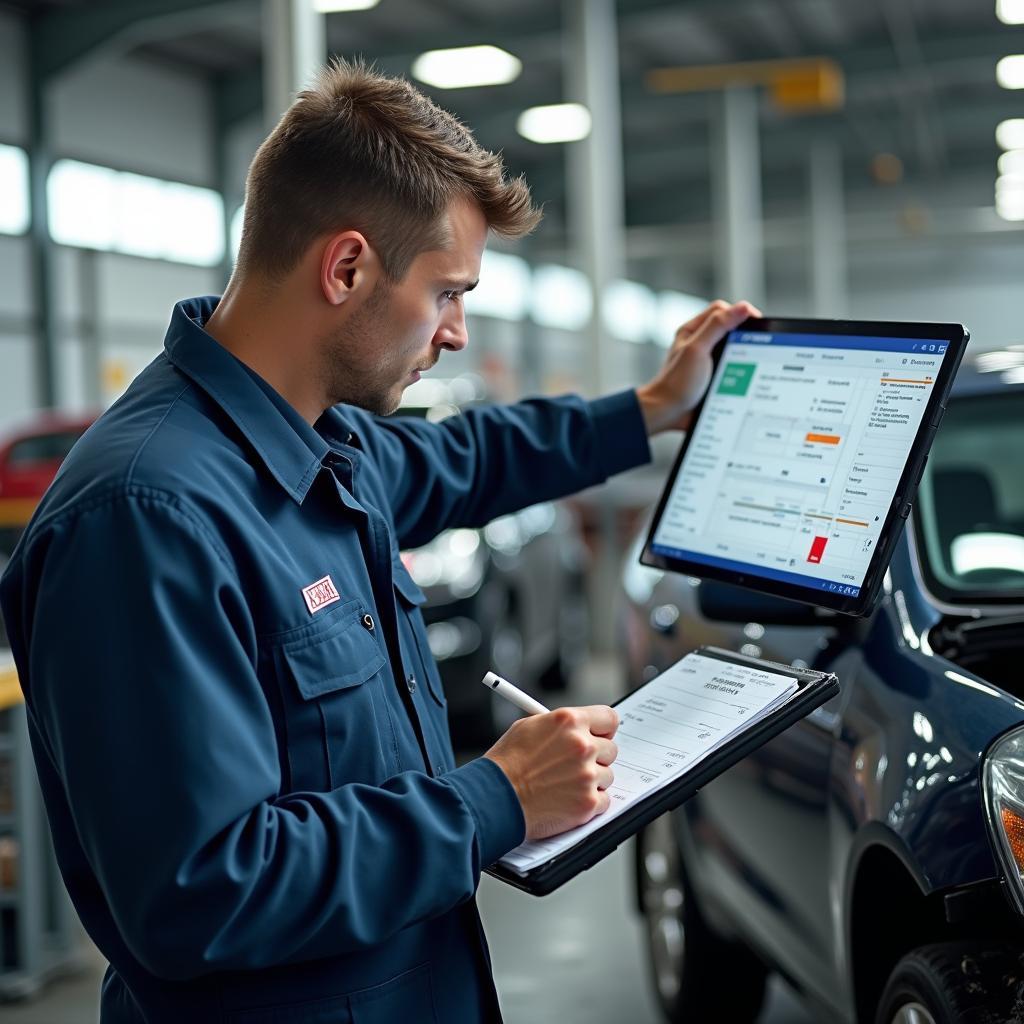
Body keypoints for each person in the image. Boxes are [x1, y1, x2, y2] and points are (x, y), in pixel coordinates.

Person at [0, 60, 757, 1024]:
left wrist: (652, 409)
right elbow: (199, 891)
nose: (456, 332)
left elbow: (473, 457)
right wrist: (496, 798)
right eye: (447, 292)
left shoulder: (323, 444)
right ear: (346, 267)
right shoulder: (147, 518)